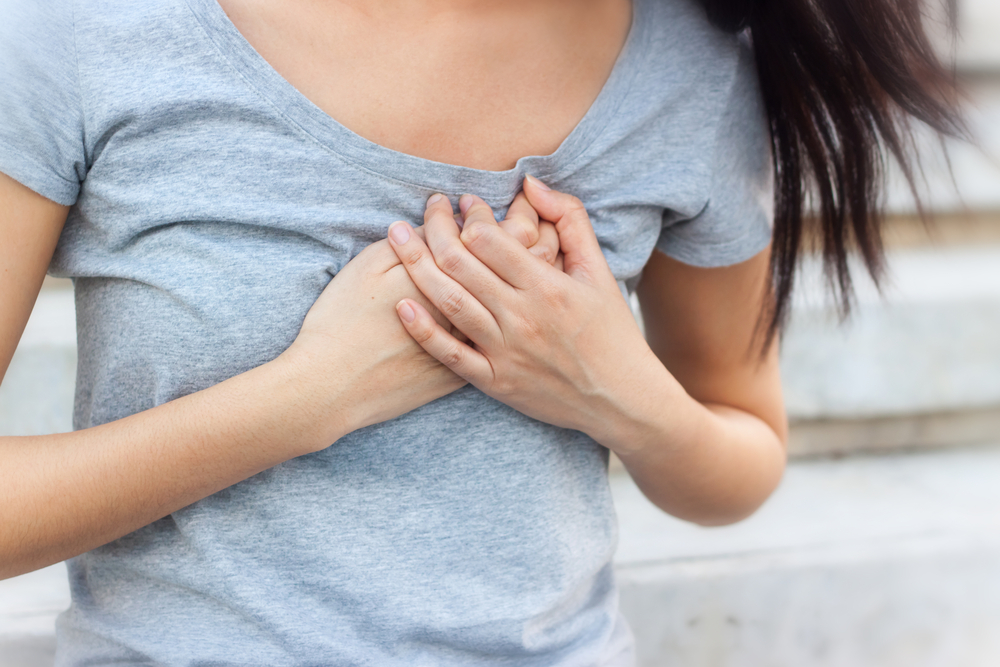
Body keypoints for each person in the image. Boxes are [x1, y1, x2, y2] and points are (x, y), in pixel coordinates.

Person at [0, 0, 958, 664]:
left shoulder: (690, 70)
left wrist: (614, 387)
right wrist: (308, 398)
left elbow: (743, 451)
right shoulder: (84, 32)